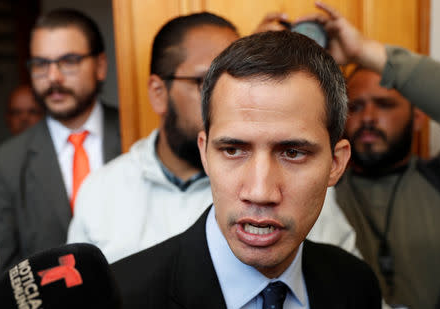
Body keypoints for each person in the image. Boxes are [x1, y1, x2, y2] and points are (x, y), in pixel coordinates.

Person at [111, 30, 382, 309]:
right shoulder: (120, 297)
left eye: (292, 153)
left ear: (336, 164)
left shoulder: (356, 285)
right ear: (204, 152)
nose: (260, 192)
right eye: (233, 150)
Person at [67, 12, 359, 264]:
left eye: (292, 152)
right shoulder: (101, 192)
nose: (260, 191)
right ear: (158, 93)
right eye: (207, 80)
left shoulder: (308, 190)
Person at [300, 2, 440, 308]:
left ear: (418, 117)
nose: (368, 117)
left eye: (385, 104)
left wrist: (364, 51)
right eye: (356, 106)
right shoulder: (319, 190)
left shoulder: (438, 179)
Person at [0, 9, 121, 276]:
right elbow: (5, 275)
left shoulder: (136, 136)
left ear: (100, 66)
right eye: (41, 64)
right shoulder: (5, 164)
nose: (53, 77)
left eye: (69, 61)